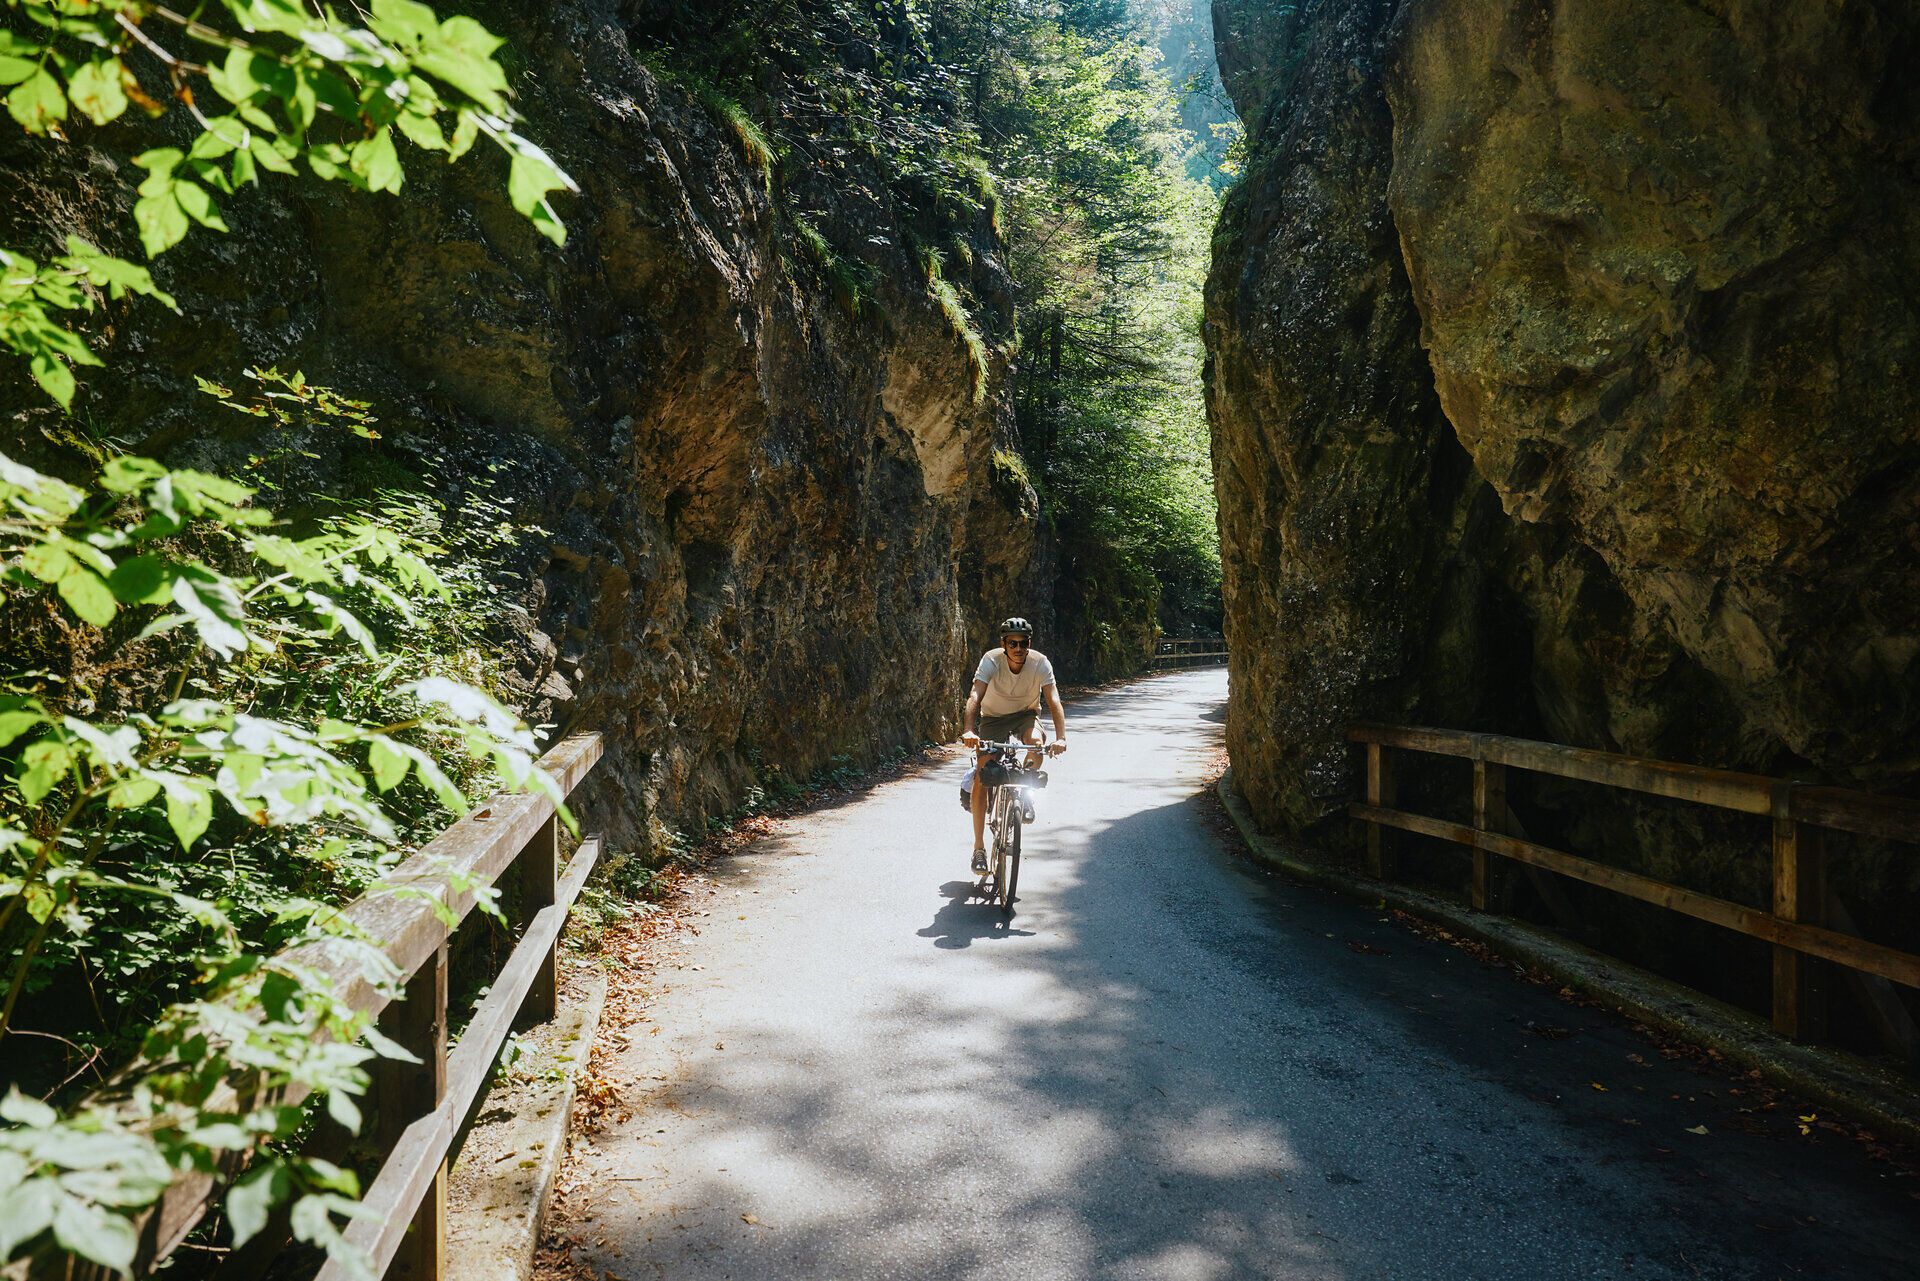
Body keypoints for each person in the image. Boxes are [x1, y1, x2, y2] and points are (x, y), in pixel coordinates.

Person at [959, 616, 1067, 874]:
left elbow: (1053, 700)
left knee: (1036, 744)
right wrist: (968, 730)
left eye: (1023, 643)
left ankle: (1025, 794)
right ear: (1004, 644)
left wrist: (1061, 737)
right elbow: (975, 694)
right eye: (1013, 643)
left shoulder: (1040, 663)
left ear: (1029, 643)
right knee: (983, 777)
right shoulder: (991, 660)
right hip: (993, 717)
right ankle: (978, 849)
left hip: (1025, 715)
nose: (1018, 649)